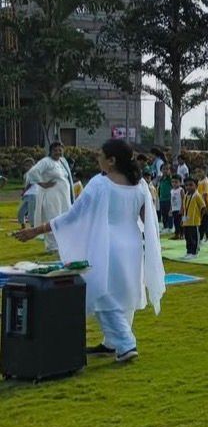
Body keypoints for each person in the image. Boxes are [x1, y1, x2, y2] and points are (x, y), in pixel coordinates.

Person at [11, 139, 165, 363]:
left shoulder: (99, 184)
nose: (97, 159)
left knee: (100, 291)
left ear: (111, 161)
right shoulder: (139, 185)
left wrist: (36, 230)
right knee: (124, 291)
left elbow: (73, 216)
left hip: (107, 244)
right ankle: (112, 343)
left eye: (100, 155)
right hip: (132, 243)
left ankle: (125, 342)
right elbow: (146, 218)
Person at [27, 142, 74, 253]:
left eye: (60, 150)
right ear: (51, 151)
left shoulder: (63, 161)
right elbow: (33, 172)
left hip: (63, 198)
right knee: (52, 218)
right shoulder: (46, 162)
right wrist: (42, 183)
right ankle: (51, 247)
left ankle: (62, 244)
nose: (58, 152)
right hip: (51, 197)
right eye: (55, 150)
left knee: (63, 219)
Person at [180, 177, 203, 259]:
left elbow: (202, 207)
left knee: (194, 237)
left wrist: (199, 217)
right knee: (188, 237)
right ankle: (189, 251)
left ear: (196, 186)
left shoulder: (197, 195)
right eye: (186, 185)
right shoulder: (186, 195)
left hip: (194, 221)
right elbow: (185, 208)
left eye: (191, 185)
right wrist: (183, 219)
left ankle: (194, 252)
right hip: (186, 221)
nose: (188, 187)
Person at [16, 157, 37, 229]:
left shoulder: (34, 172)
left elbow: (30, 184)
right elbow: (25, 184)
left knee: (31, 213)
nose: (27, 167)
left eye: (29, 165)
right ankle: (22, 225)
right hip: (27, 195)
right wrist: (23, 192)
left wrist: (24, 191)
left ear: (33, 165)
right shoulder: (25, 174)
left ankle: (33, 227)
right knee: (20, 212)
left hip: (33, 194)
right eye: (26, 165)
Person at [196, 169, 208, 243]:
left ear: (205, 171)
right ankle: (201, 237)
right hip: (201, 205)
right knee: (202, 222)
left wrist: (207, 206)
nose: (198, 173)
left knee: (207, 222)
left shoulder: (205, 182)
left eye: (200, 171)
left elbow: (205, 195)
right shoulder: (199, 181)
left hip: (206, 205)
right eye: (197, 172)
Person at [155, 162, 173, 230]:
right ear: (161, 170)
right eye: (164, 169)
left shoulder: (170, 179)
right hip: (162, 199)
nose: (165, 170)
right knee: (163, 213)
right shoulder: (161, 179)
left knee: (169, 213)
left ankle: (170, 227)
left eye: (167, 169)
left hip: (169, 198)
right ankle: (165, 226)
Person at [168, 176, 184, 240]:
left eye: (176, 182)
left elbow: (183, 200)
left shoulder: (181, 190)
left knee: (181, 222)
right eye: (173, 182)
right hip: (174, 209)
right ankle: (177, 234)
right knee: (176, 222)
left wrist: (182, 209)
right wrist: (170, 209)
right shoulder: (171, 191)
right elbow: (171, 200)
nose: (174, 183)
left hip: (179, 209)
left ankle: (182, 234)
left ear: (180, 182)